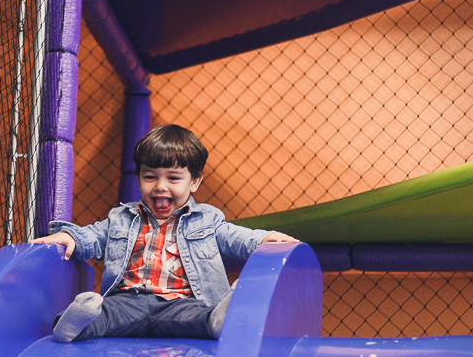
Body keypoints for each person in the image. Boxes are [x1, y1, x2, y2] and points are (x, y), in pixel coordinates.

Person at [33, 124, 298, 342]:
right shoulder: (121, 218)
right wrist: (70, 237)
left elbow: (235, 237)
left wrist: (263, 239)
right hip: (128, 299)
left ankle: (217, 321)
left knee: (197, 319)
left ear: (194, 181)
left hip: (180, 302)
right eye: (150, 177)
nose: (160, 187)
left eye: (173, 178)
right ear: (138, 178)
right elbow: (92, 237)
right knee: (105, 314)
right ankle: (72, 326)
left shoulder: (207, 219)